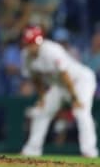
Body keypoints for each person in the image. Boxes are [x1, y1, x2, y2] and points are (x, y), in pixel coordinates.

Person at [20, 26, 98, 157]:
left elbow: (65, 75)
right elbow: (35, 78)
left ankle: (89, 151)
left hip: (80, 81)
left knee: (81, 112)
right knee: (41, 111)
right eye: (30, 43)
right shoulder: (25, 56)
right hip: (60, 85)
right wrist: (42, 98)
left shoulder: (52, 50)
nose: (33, 46)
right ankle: (31, 150)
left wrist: (75, 98)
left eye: (35, 43)